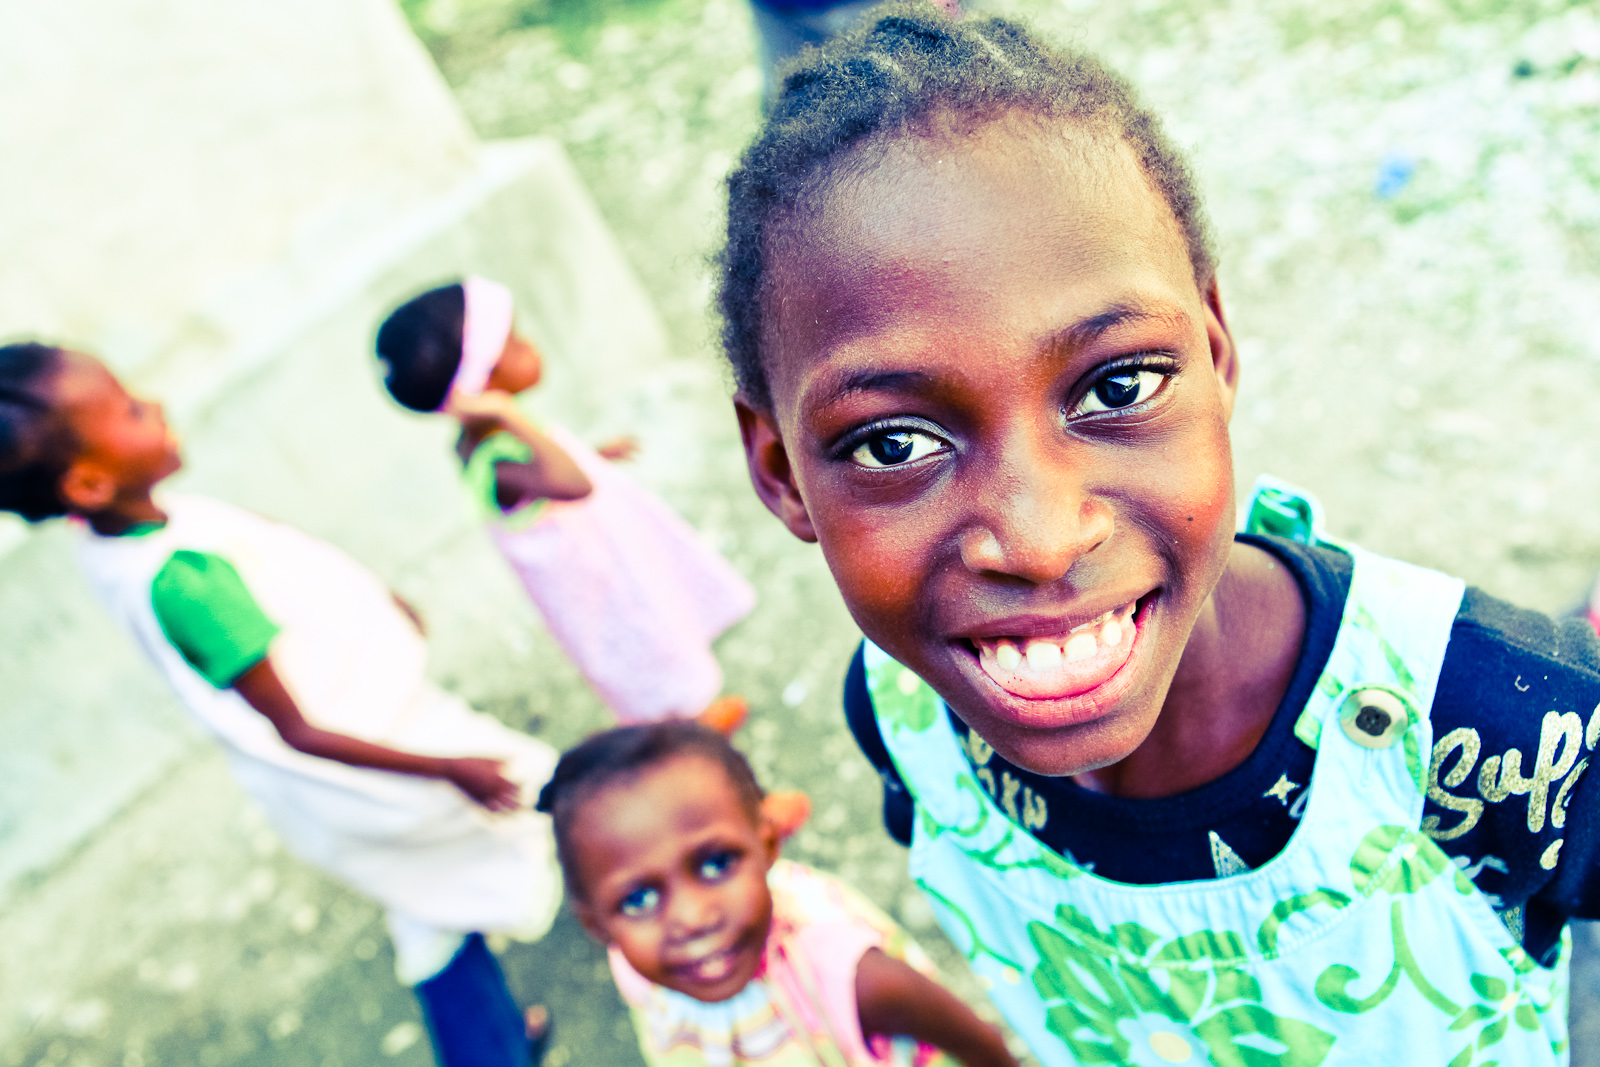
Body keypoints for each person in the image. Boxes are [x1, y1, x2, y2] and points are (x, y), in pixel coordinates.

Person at [715, 6, 1600, 1065]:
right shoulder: (903, 717)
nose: (1041, 539)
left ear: (1215, 351)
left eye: (1118, 385)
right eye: (894, 443)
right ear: (781, 471)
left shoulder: (1515, 735)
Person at [0, 342, 558, 1067]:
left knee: (430, 909)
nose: (157, 404)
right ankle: (686, 934)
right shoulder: (186, 582)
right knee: (564, 791)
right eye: (132, 411)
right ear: (87, 481)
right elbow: (298, 729)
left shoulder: (123, 533)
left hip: (336, 776)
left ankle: (490, 1052)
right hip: (385, 754)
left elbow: (278, 563)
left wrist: (378, 602)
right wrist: (452, 767)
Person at [376, 278, 756, 733]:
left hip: (610, 562)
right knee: (651, 656)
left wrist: (591, 454)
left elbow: (558, 475)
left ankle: (694, 719)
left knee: (665, 627)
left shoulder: (495, 440)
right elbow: (573, 485)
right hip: (603, 591)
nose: (531, 346)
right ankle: (699, 737)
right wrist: (508, 413)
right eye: (516, 344)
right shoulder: (495, 464)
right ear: (482, 385)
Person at [534, 720, 1017, 1066]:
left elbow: (982, 1047)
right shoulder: (637, 968)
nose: (693, 917)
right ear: (597, 924)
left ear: (767, 845)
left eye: (716, 864)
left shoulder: (851, 977)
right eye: (638, 900)